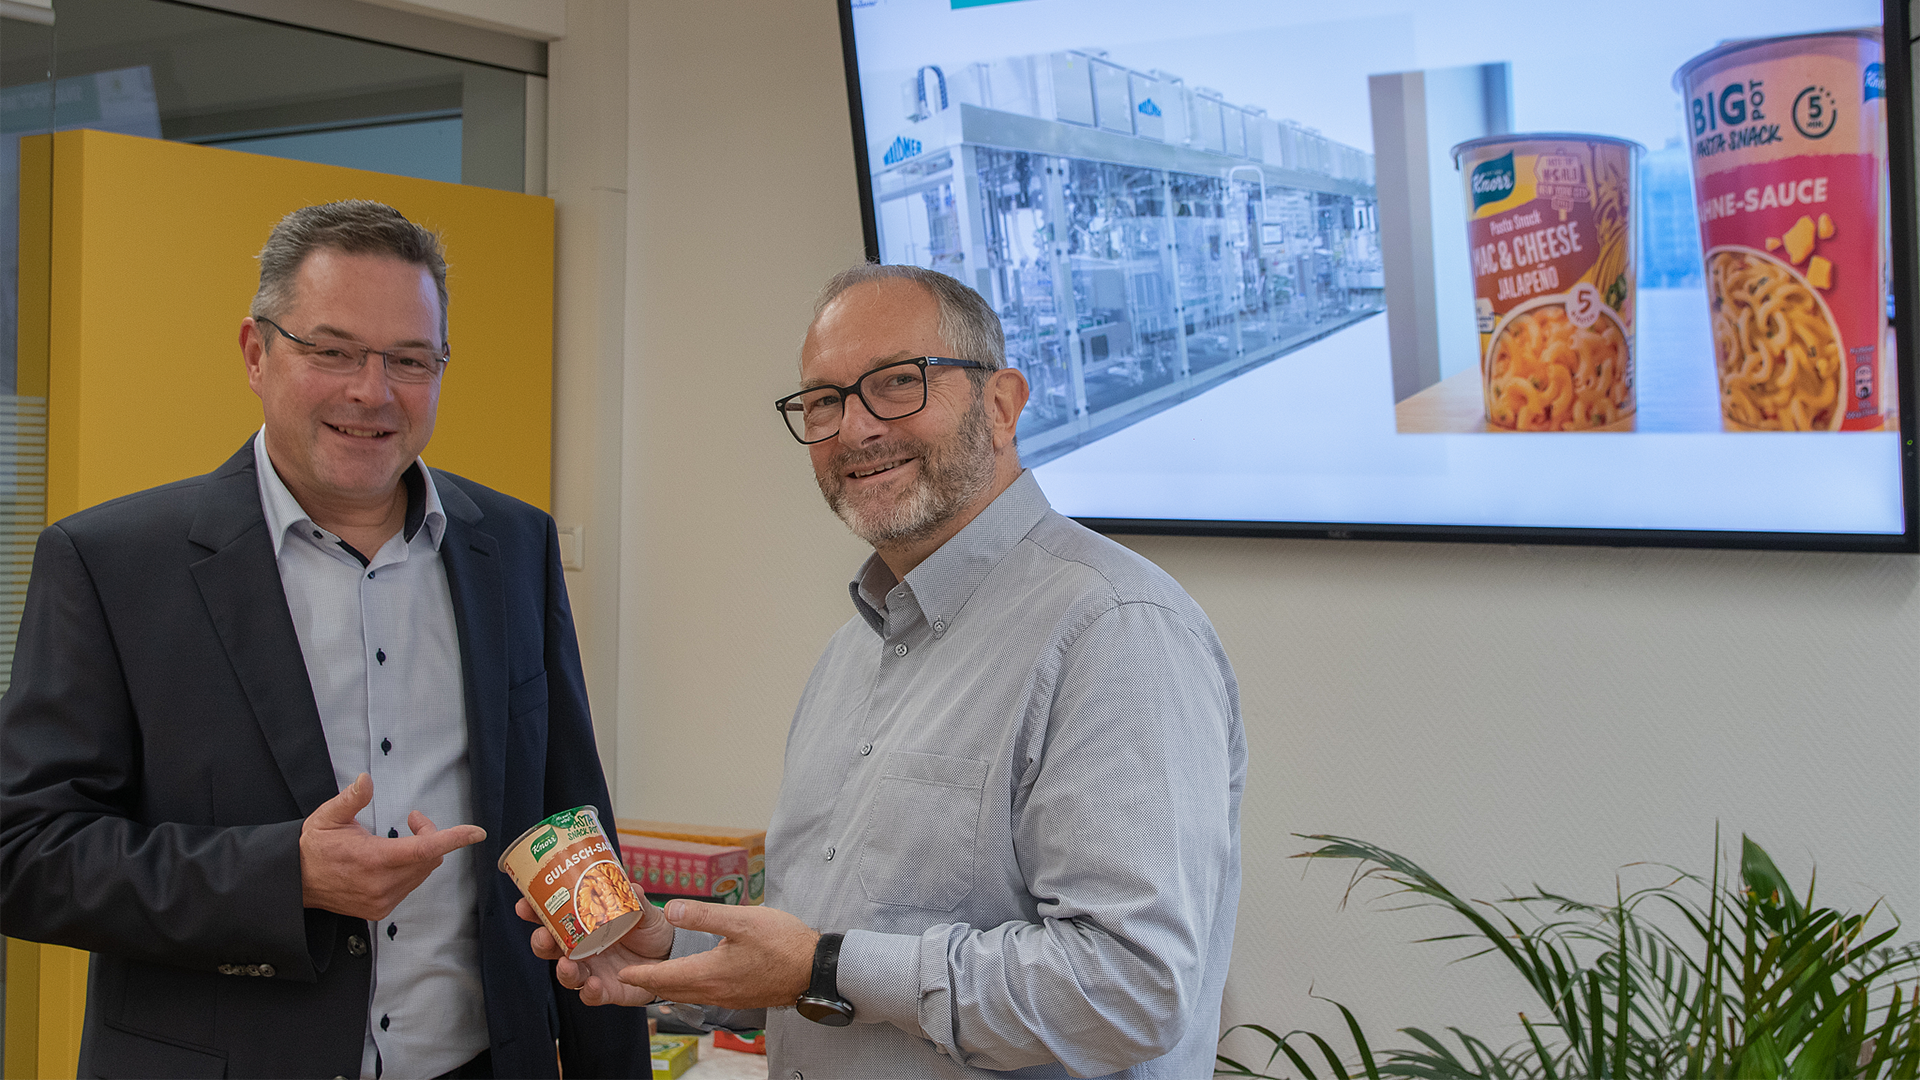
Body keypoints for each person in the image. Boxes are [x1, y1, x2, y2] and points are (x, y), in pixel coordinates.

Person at [528, 264, 1246, 1078]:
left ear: (1002, 405)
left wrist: (825, 966)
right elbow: (812, 948)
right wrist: (672, 949)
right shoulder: (851, 654)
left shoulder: (1114, 631)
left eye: (899, 383)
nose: (856, 429)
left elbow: (1131, 992)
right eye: (825, 401)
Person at [0, 200, 646, 1080]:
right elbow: (27, 854)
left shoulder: (513, 544)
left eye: (409, 360)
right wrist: (282, 876)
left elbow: (570, 820)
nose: (371, 391)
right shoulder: (111, 564)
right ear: (256, 353)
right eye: (332, 350)